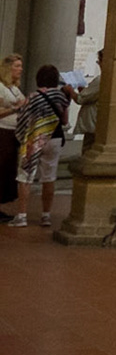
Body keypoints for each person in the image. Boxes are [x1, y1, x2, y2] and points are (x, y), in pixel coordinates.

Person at [12, 64, 67, 228]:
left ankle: (22, 215)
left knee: (25, 176)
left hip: (34, 139)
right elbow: (64, 120)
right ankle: (46, 215)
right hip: (54, 138)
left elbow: (23, 119)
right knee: (49, 177)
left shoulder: (32, 97)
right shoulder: (61, 96)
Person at [0, 54, 23, 222]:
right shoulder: (0, 87)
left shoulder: (14, 88)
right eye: (17, 66)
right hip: (2, 132)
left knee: (8, 171)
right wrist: (16, 109)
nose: (20, 69)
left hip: (13, 132)